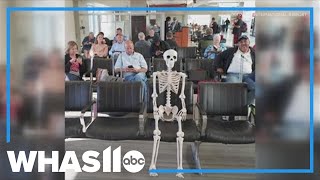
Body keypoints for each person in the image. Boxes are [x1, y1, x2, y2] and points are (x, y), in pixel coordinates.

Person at [214, 35, 255, 104]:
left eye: (245, 41)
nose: (243, 43)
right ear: (238, 44)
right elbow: (219, 57)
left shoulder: (253, 53)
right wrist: (218, 67)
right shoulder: (232, 51)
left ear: (249, 43)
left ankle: (245, 106)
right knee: (234, 87)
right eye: (241, 42)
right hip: (233, 75)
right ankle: (231, 106)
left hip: (248, 76)